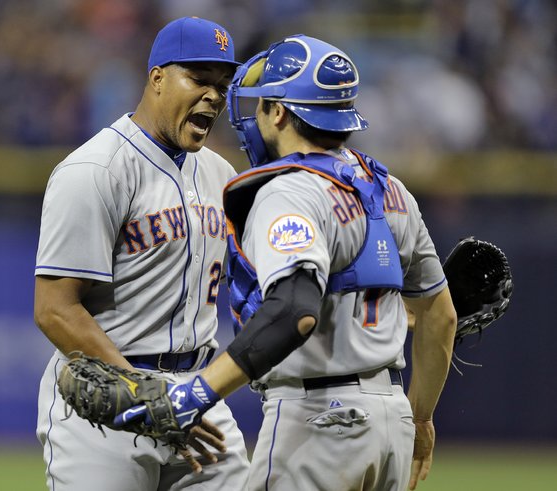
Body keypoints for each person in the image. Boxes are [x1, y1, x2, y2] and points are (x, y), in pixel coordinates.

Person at [118, 34, 457, 490]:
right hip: (392, 418)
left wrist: (198, 392)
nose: (253, 117)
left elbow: (294, 311)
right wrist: (420, 418)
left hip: (319, 422)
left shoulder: (287, 192)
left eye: (261, 105)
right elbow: (441, 315)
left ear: (278, 112)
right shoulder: (393, 190)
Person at [33, 16, 250, 491]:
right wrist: (147, 400)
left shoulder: (220, 173)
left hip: (198, 390)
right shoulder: (95, 169)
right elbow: (54, 309)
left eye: (222, 84)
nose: (213, 95)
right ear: (156, 78)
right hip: (107, 403)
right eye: (198, 79)